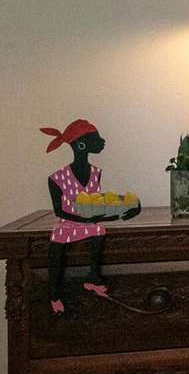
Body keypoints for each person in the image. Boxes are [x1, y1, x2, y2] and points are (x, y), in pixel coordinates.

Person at [40, 119, 139, 313]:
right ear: (81, 144)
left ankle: (93, 277)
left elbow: (97, 200)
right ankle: (54, 294)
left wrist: (130, 204)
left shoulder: (96, 173)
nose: (102, 142)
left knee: (98, 231)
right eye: (96, 138)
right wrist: (90, 219)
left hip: (89, 223)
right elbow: (60, 212)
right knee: (57, 245)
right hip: (68, 224)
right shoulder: (57, 178)